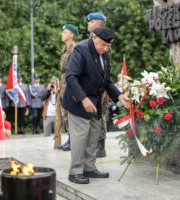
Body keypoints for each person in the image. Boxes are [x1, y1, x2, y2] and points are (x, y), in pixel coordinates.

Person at [62, 27, 130, 184]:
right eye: (103, 45)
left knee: (93, 135)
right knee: (80, 137)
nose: (105, 49)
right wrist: (83, 99)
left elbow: (106, 80)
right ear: (94, 37)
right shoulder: (80, 49)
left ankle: (89, 168)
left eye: (108, 46)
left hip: (95, 102)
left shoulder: (104, 54)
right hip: (78, 100)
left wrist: (119, 95)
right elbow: (71, 76)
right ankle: (75, 172)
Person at [87, 12, 109, 158]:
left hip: (100, 87)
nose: (88, 24)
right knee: (93, 116)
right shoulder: (90, 39)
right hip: (91, 86)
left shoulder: (103, 39)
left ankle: (101, 147)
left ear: (99, 24)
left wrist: (103, 89)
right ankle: (94, 145)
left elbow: (104, 67)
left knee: (99, 116)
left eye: (91, 22)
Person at [57, 24, 79, 151]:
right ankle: (70, 139)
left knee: (71, 114)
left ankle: (73, 141)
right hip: (65, 86)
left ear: (72, 35)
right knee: (66, 114)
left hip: (71, 86)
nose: (62, 34)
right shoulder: (65, 50)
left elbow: (73, 71)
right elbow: (63, 72)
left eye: (65, 32)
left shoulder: (75, 49)